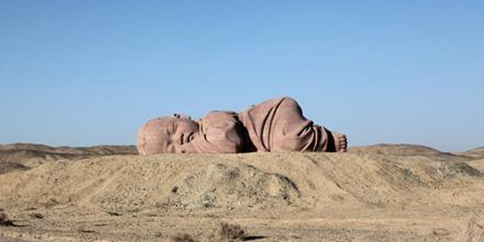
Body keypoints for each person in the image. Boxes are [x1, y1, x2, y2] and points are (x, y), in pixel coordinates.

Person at [137, 96, 347, 155]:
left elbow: (228, 142)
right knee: (285, 145)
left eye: (174, 130)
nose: (179, 140)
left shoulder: (212, 119)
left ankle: (326, 138)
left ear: (181, 115)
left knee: (289, 142)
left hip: (272, 117)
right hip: (268, 141)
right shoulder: (202, 146)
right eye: (171, 147)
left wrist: (186, 150)